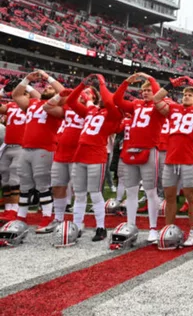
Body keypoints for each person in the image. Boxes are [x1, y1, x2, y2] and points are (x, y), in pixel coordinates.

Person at [153, 76, 193, 247]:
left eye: (190, 94)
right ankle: (169, 229)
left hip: (188, 159)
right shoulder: (173, 108)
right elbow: (156, 98)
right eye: (185, 93)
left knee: (190, 197)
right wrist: (170, 84)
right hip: (171, 158)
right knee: (170, 197)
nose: (186, 96)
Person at [65, 75, 122, 241]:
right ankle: (76, 226)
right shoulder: (91, 110)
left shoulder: (113, 113)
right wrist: (81, 85)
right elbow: (70, 101)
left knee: (95, 193)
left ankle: (101, 227)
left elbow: (109, 102)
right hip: (80, 154)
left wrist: (102, 83)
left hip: (96, 156)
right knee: (80, 194)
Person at [113, 73, 166, 243]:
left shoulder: (159, 106)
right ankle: (130, 224)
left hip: (149, 150)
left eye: (149, 90)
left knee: (151, 191)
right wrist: (126, 81)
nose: (145, 93)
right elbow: (117, 100)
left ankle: (153, 228)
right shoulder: (136, 105)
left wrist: (150, 78)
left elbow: (158, 94)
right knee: (131, 191)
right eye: (143, 90)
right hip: (130, 151)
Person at [11, 70, 65, 230]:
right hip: (26, 148)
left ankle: (47, 216)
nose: (47, 88)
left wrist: (47, 76)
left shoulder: (56, 108)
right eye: (46, 87)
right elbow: (16, 95)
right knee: (25, 184)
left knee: (43, 184)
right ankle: (21, 216)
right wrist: (26, 80)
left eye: (50, 88)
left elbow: (64, 92)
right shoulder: (34, 103)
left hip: (44, 148)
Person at [41, 87, 85, 232]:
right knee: (58, 186)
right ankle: (58, 218)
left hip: (78, 153)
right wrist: (59, 95)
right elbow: (47, 107)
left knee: (78, 189)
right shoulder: (67, 109)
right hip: (61, 153)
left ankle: (78, 222)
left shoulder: (92, 111)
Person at [0, 80, 34, 221]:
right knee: (5, 177)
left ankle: (15, 210)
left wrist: (28, 86)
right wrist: (2, 91)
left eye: (24, 93)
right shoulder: (11, 105)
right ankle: (8, 209)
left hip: (21, 146)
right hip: (8, 145)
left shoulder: (31, 106)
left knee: (15, 177)